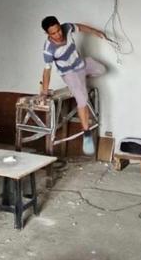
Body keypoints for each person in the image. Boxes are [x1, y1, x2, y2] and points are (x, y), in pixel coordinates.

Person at [40, 16, 107, 155]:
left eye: (58, 30)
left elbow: (81, 27)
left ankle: (79, 83)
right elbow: (47, 71)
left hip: (81, 64)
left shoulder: (67, 27)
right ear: (47, 34)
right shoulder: (48, 50)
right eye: (53, 33)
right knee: (82, 100)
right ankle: (86, 133)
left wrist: (96, 32)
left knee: (102, 69)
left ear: (60, 26)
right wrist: (44, 92)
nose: (58, 34)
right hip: (69, 73)